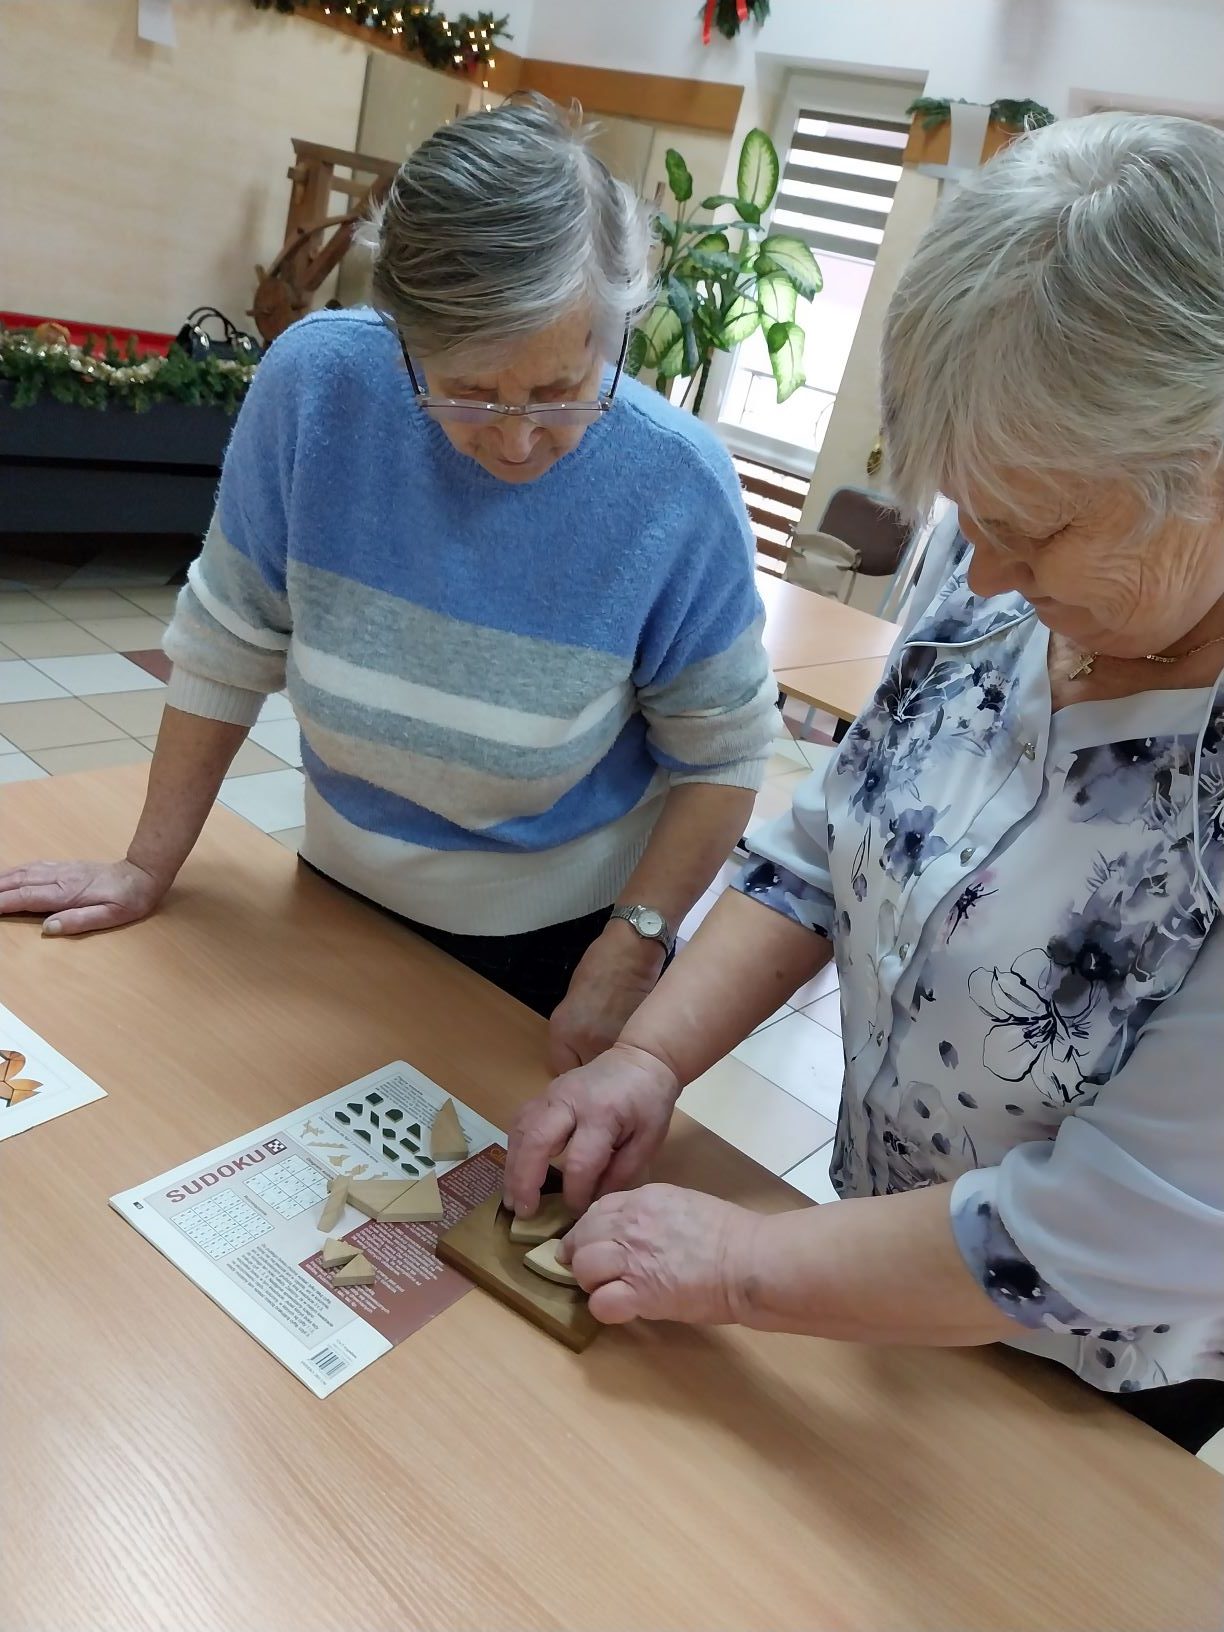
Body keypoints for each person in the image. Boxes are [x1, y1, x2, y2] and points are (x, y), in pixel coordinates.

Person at [504, 111, 1224, 1453]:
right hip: (866, 1274)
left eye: (1033, 528)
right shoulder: (1002, 568)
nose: (989, 574)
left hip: (1090, 1388)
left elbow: (1125, 1228)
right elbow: (838, 839)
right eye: (975, 518)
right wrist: (651, 1061)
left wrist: (736, 1265)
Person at [0, 97, 775, 1072]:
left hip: (567, 941)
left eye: (559, 390)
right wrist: (144, 865)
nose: (519, 437)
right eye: (470, 392)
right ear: (398, 334)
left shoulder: (676, 484)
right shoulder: (320, 385)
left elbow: (723, 753)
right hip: (336, 888)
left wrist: (633, 949)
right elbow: (229, 635)